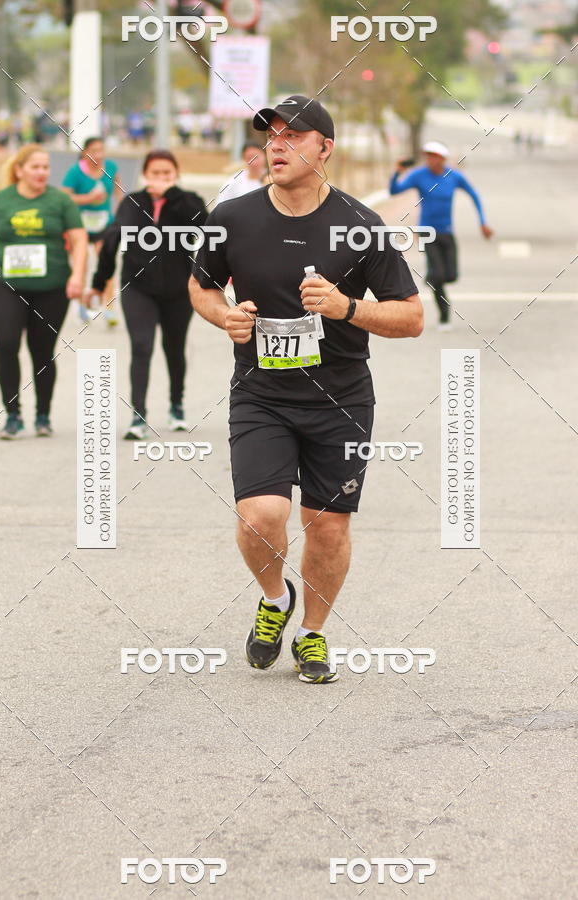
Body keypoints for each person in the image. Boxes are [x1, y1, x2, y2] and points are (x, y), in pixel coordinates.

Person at [189, 95, 423, 684]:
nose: (277, 144)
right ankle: (275, 600)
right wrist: (225, 318)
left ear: (325, 148)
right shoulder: (233, 218)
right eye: (271, 135)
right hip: (261, 394)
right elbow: (202, 288)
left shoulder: (360, 225)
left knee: (328, 526)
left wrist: (347, 307)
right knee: (260, 516)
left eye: (294, 135)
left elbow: (412, 316)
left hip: (341, 400)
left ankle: (313, 635)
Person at [86, 149, 207, 439]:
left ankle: (176, 406)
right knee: (142, 346)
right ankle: (138, 416)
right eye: (155, 173)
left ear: (176, 175)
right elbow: (114, 237)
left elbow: (204, 230)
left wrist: (173, 195)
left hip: (179, 289)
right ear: (144, 175)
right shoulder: (132, 202)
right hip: (138, 288)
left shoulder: (188, 201)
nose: (161, 179)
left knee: (174, 349)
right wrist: (98, 281)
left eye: (167, 174)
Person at [0, 144, 87, 438]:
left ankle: (42, 415)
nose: (42, 173)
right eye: (35, 167)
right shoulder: (1, 201)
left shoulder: (60, 202)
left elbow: (79, 241)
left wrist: (77, 276)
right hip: (7, 285)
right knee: (6, 344)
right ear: (20, 170)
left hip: (51, 287)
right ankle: (13, 415)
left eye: (46, 167)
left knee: (42, 351)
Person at [389, 141, 493, 330]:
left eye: (434, 156)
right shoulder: (418, 175)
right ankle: (444, 314)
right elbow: (394, 191)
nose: (430, 159)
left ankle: (431, 278)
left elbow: (474, 195)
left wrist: (483, 222)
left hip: (447, 231)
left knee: (451, 275)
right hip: (427, 232)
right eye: (427, 155)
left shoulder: (453, 177)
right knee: (438, 275)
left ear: (443, 158)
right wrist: (397, 172)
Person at [61, 136, 122, 325]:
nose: (99, 154)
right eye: (94, 151)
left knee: (106, 264)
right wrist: (88, 198)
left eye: (101, 150)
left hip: (104, 224)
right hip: (79, 225)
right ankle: (81, 307)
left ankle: (109, 309)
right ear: (85, 153)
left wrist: (123, 211)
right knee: (82, 265)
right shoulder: (75, 172)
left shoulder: (110, 168)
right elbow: (65, 198)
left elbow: (119, 192)